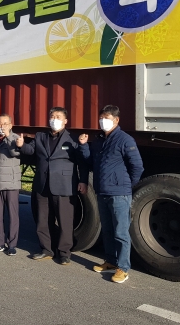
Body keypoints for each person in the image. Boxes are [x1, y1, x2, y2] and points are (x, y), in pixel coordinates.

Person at [79, 104, 143, 283]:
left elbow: (137, 166)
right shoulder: (99, 139)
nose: (103, 121)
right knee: (107, 230)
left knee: (121, 231)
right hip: (102, 191)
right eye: (101, 118)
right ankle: (110, 261)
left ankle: (123, 268)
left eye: (107, 118)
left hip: (119, 193)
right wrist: (84, 146)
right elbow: (90, 162)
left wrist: (126, 185)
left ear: (116, 120)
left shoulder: (125, 140)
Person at [17, 107, 88, 265]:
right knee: (43, 220)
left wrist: (83, 180)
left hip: (64, 185)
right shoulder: (41, 136)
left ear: (65, 121)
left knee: (65, 221)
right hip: (42, 185)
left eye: (58, 117)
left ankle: (64, 252)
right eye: (52, 116)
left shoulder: (72, 139)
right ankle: (46, 250)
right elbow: (30, 151)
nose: (54, 119)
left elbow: (82, 162)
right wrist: (22, 145)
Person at [0, 114, 21, 256]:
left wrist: (7, 137)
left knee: (13, 215)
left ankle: (12, 244)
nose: (2, 126)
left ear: (11, 125)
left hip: (11, 183)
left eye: (6, 123)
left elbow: (14, 153)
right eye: (0, 123)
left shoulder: (15, 139)